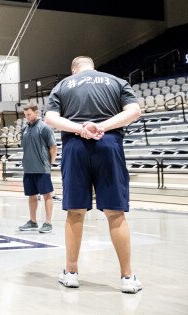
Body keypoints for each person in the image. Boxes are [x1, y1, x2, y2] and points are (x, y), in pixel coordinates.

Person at [44, 56, 142, 294]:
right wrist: (102, 127)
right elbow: (135, 111)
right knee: (115, 213)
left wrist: (80, 128)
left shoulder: (63, 85)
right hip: (109, 144)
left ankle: (71, 273)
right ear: (93, 66)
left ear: (73, 69)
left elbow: (50, 118)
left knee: (75, 212)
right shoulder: (116, 82)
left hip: (75, 147)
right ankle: (127, 277)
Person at [18, 103, 57, 234]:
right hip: (28, 168)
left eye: (29, 114)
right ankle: (33, 222)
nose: (27, 117)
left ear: (36, 113)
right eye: (25, 115)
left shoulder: (44, 128)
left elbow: (53, 147)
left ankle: (48, 223)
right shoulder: (24, 129)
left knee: (47, 196)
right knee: (31, 196)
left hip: (42, 168)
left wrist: (49, 164)